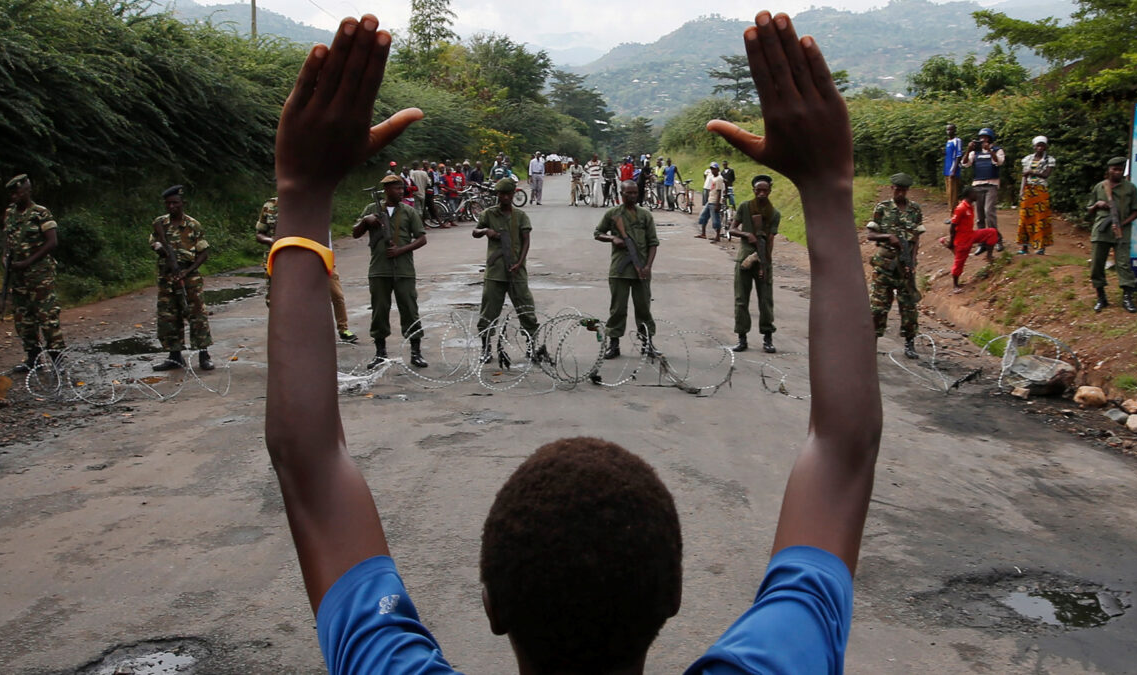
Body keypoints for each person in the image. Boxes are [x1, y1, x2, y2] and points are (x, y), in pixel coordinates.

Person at [265, 11, 879, 674]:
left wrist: (300, 193)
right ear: (674, 598)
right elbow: (843, 448)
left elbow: (310, 462)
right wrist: (829, 187)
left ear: (489, 606)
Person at [255, 197, 358, 343]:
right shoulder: (270, 205)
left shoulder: (310, 204)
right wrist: (272, 241)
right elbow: (259, 234)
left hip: (312, 257)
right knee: (276, 299)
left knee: (335, 294)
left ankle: (342, 329)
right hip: (277, 259)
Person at [353, 175, 429, 367]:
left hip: (404, 270)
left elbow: (422, 238)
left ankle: (416, 352)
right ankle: (380, 353)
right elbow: (355, 233)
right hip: (379, 270)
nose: (401, 192)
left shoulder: (409, 211)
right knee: (379, 311)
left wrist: (400, 251)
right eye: (397, 189)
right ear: (386, 190)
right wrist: (366, 221)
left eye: (402, 188)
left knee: (410, 310)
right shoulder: (371, 210)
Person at [473, 178, 545, 364]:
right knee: (489, 311)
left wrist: (519, 263)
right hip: (495, 272)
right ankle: (486, 347)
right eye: (501, 194)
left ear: (514, 194)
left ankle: (531, 346)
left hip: (516, 271)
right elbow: (475, 231)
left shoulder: (520, 216)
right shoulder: (489, 214)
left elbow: (526, 240)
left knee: (526, 310)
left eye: (508, 194)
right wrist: (486, 231)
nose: (504, 197)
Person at [1, 174, 67, 372]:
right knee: (23, 318)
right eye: (12, 193)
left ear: (27, 191)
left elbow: (52, 241)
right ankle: (33, 358)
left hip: (39, 275)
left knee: (47, 317)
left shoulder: (40, 213)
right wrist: (5, 257)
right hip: (18, 277)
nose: (14, 197)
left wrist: (28, 262)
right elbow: (7, 238)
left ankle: (57, 360)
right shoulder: (10, 213)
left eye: (18, 192)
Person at [148, 186, 213, 371]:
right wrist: (159, 248)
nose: (171, 206)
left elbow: (203, 253)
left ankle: (204, 355)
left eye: (175, 203)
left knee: (197, 315)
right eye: (168, 203)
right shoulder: (160, 223)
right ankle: (174, 357)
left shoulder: (193, 225)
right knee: (168, 316)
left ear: (182, 203)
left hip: (189, 276)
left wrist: (188, 270)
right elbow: (153, 241)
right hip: (167, 276)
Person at [594, 180, 659, 359]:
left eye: (635, 193)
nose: (632, 196)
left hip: (642, 270)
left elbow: (653, 243)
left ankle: (647, 342)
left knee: (644, 308)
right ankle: (614, 344)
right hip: (620, 270)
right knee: (618, 309)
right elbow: (597, 233)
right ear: (621, 195)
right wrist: (612, 239)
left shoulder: (645, 215)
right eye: (628, 193)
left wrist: (647, 267)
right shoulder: (613, 214)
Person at [866, 173, 925, 359]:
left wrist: (912, 262)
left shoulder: (915, 210)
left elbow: (916, 239)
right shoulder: (882, 208)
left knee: (909, 307)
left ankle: (909, 343)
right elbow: (870, 235)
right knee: (878, 308)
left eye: (903, 190)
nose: (900, 193)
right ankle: (871, 343)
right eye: (897, 189)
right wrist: (888, 237)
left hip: (905, 265)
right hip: (884, 265)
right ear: (892, 188)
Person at [729, 174, 780, 354]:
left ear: (770, 191)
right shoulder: (745, 207)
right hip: (744, 258)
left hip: (763, 259)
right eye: (758, 190)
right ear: (754, 190)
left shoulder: (774, 214)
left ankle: (767, 338)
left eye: (765, 190)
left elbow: (771, 239)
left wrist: (765, 262)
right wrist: (747, 235)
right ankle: (742, 338)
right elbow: (732, 229)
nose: (761, 193)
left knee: (766, 300)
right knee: (741, 299)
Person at [1086, 156, 1137, 313]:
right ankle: (1101, 297)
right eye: (1114, 169)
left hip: (1122, 231)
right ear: (1108, 170)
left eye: (1121, 169)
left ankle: (1127, 298)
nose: (1118, 172)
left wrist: (1121, 224)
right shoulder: (1100, 187)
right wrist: (1097, 205)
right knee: (1097, 264)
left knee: (1123, 264)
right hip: (1101, 231)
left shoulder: (1130, 188)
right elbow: (1089, 210)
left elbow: (1136, 211)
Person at [941, 187, 998, 292]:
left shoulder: (970, 206)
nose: (977, 195)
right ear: (969, 194)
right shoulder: (961, 208)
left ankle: (989, 256)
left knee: (992, 232)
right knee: (959, 263)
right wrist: (952, 242)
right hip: (962, 240)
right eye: (975, 193)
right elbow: (953, 226)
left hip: (970, 235)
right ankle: (955, 285)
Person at [960, 127, 1006, 250]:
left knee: (989, 212)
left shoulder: (997, 150)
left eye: (985, 138)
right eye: (981, 138)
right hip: (978, 185)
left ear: (990, 139)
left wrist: (990, 151)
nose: (983, 140)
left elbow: (999, 162)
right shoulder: (974, 152)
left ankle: (997, 239)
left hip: (991, 184)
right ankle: (983, 242)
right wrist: (969, 149)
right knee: (980, 215)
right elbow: (964, 164)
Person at [1016, 136, 1056, 255]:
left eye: (1042, 145)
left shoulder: (1049, 160)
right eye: (1038, 145)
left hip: (1041, 190)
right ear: (1034, 147)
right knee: (1024, 217)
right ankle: (1024, 246)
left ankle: (1041, 247)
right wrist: (1021, 191)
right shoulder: (1027, 159)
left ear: (1045, 147)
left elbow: (1046, 174)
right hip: (1028, 189)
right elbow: (1024, 176)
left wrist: (1032, 172)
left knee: (1041, 218)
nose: (1040, 148)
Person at [697, 162, 726, 241]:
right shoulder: (713, 178)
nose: (713, 171)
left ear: (718, 169)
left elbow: (719, 192)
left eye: (714, 169)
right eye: (712, 169)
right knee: (703, 216)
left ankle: (717, 236)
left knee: (715, 219)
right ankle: (703, 233)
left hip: (714, 202)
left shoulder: (719, 179)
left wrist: (718, 204)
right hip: (710, 200)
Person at [943, 123, 962, 214]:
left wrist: (954, 170)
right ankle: (951, 212)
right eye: (947, 130)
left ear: (954, 130)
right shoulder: (948, 141)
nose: (948, 131)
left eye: (950, 129)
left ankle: (954, 214)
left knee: (953, 194)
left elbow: (958, 155)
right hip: (946, 170)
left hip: (953, 171)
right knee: (948, 194)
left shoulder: (957, 141)